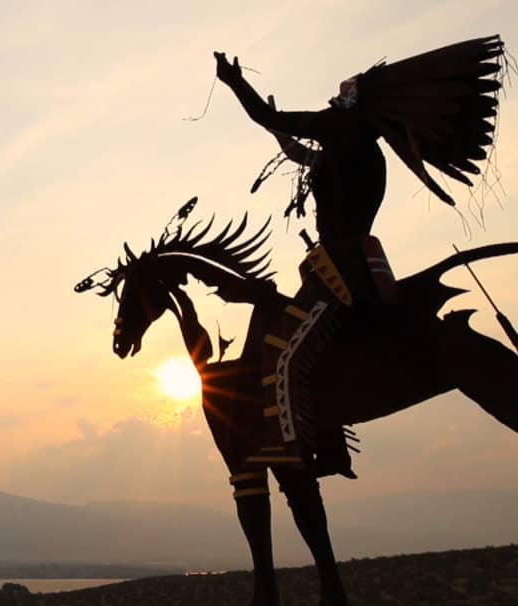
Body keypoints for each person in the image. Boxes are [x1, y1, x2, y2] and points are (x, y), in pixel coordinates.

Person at [213, 36, 504, 471]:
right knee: (318, 347)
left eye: (340, 99)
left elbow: (266, 115)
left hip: (339, 270)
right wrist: (280, 132)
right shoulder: (359, 151)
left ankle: (292, 445)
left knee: (285, 349)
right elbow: (297, 151)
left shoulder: (344, 138)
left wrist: (235, 82)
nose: (332, 104)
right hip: (358, 263)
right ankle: (330, 443)